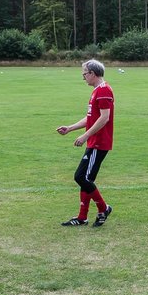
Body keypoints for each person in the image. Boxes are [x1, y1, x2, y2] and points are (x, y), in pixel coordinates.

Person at [56, 59, 114, 227]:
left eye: (84, 74)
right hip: (94, 141)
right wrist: (70, 128)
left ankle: (104, 208)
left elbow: (104, 118)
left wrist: (85, 136)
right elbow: (91, 118)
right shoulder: (97, 91)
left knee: (81, 177)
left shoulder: (103, 91)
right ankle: (82, 217)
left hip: (99, 142)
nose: (83, 77)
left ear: (92, 74)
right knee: (85, 179)